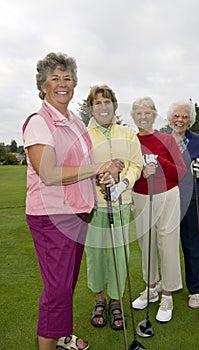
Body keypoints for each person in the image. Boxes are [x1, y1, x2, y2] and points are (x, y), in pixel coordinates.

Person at [22, 53, 124, 350]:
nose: (62, 83)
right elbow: (50, 174)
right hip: (52, 217)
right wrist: (97, 168)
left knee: (65, 286)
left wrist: (99, 179)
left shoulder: (76, 122)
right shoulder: (39, 122)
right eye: (54, 78)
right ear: (43, 85)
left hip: (78, 214)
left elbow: (80, 168)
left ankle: (62, 335)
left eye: (67, 78)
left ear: (75, 83)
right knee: (57, 290)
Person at [84, 84, 142, 330]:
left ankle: (116, 301)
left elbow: (136, 164)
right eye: (98, 102)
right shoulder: (84, 135)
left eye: (107, 102)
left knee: (119, 253)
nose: (103, 106)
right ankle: (99, 300)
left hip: (121, 204)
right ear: (91, 107)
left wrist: (123, 182)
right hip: (94, 205)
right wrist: (100, 177)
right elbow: (80, 167)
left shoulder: (128, 134)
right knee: (96, 254)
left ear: (114, 105)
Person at [130, 97, 186, 323]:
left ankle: (167, 294)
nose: (143, 117)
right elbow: (128, 174)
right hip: (141, 196)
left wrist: (161, 163)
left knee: (168, 243)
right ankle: (151, 287)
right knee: (147, 244)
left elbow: (181, 173)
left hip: (168, 196)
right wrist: (140, 174)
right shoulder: (131, 142)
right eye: (138, 113)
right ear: (133, 117)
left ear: (154, 115)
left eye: (147, 113)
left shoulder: (167, 140)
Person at [167, 100, 199, 308]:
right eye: (177, 116)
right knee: (166, 245)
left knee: (192, 244)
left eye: (185, 116)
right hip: (168, 199)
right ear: (170, 118)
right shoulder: (163, 141)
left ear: (190, 120)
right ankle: (167, 285)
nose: (180, 120)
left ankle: (195, 289)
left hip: (193, 199)